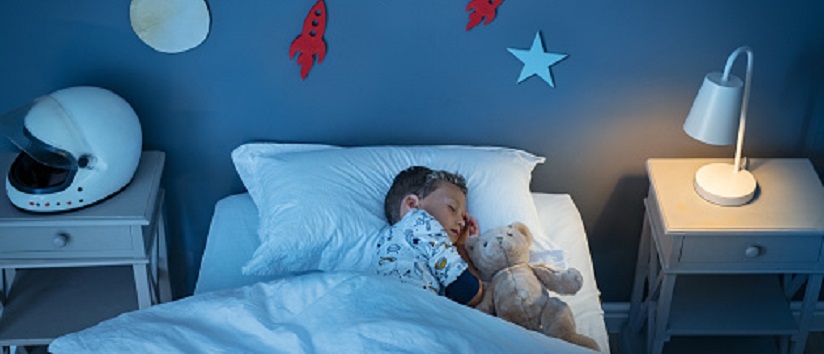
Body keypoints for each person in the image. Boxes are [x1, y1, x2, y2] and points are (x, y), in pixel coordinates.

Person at [375, 166, 483, 306]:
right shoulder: (422, 223)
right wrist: (461, 247)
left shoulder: (386, 240)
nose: (462, 222)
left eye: (463, 216)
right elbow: (470, 292)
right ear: (412, 205)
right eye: (452, 208)